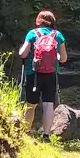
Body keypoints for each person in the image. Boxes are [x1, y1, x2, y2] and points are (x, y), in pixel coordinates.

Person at [18, 10, 68, 141]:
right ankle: (46, 135)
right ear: (53, 22)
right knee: (48, 105)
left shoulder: (32, 33)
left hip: (33, 74)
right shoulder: (58, 35)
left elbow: (23, 54)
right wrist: (56, 56)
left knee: (31, 104)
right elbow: (63, 59)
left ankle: (26, 132)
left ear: (38, 21)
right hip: (51, 74)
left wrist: (21, 51)